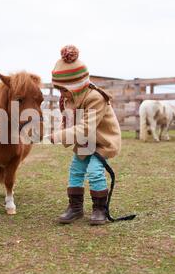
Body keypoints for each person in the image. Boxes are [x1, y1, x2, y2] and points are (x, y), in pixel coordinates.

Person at [49, 45, 122, 225]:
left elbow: (85, 128)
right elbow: (69, 122)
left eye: (64, 89)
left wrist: (59, 136)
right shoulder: (70, 100)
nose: (62, 94)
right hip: (85, 141)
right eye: (59, 90)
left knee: (95, 170)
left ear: (76, 86)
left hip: (102, 142)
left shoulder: (95, 98)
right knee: (76, 169)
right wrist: (59, 132)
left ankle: (100, 209)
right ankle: (75, 208)